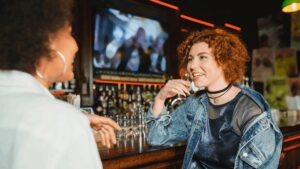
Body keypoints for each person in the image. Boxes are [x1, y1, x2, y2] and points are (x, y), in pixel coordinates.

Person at [0, 0, 120, 169]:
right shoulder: (62, 121)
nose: (76, 46)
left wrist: (79, 120)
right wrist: (73, 123)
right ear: (48, 40)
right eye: (70, 33)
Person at [146, 28, 283, 169]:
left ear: (224, 61)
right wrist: (160, 98)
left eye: (202, 57)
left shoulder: (250, 111)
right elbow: (155, 138)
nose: (192, 66)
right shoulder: (195, 104)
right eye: (190, 59)